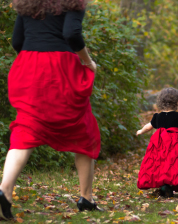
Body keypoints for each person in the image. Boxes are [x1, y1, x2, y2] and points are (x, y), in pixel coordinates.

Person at [0, 0, 103, 220]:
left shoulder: (27, 3)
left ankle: (5, 189)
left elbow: (17, 40)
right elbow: (72, 34)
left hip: (28, 64)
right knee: (84, 129)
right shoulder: (73, 2)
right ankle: (86, 198)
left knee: (26, 128)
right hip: (60, 67)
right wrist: (88, 62)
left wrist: (34, 54)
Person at [136, 88, 178, 197]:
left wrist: (140, 131)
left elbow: (148, 127)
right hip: (174, 144)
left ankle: (163, 186)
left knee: (159, 163)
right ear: (177, 102)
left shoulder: (157, 116)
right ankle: (168, 186)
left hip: (159, 143)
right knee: (172, 164)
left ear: (160, 101)